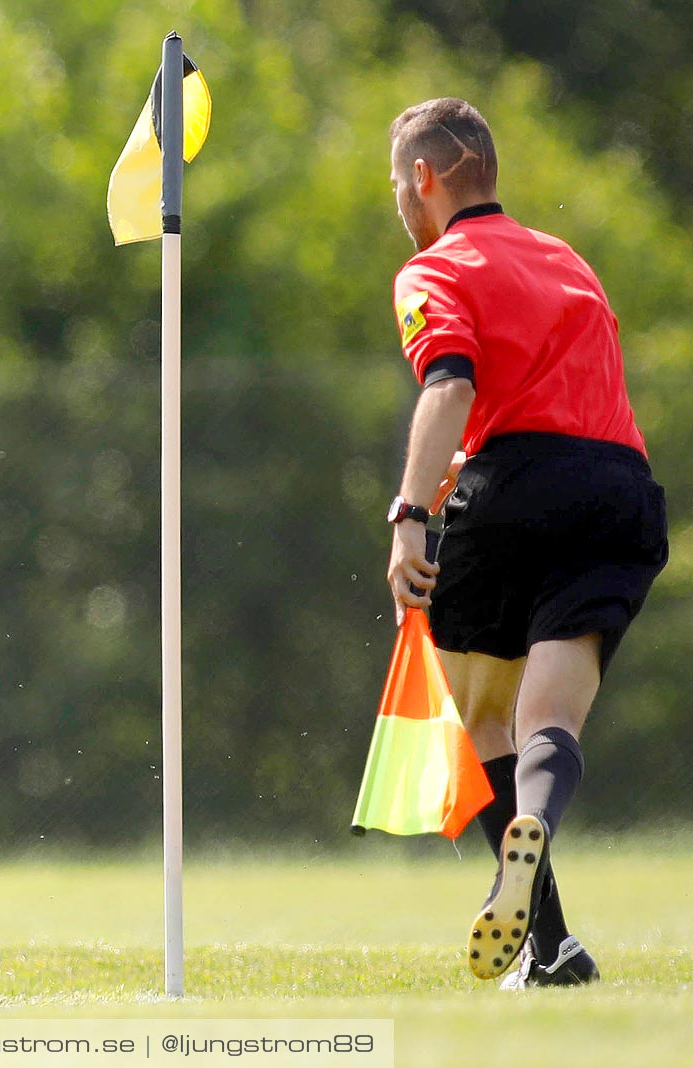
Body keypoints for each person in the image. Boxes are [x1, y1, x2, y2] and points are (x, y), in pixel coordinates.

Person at [381, 99, 667, 989]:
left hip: (511, 485)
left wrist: (408, 512)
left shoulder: (433, 268)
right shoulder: (566, 259)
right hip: (619, 488)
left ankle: (539, 928)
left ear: (424, 178)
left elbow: (451, 386)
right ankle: (554, 945)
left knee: (479, 715)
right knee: (551, 716)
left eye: (398, 180)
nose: (398, 195)